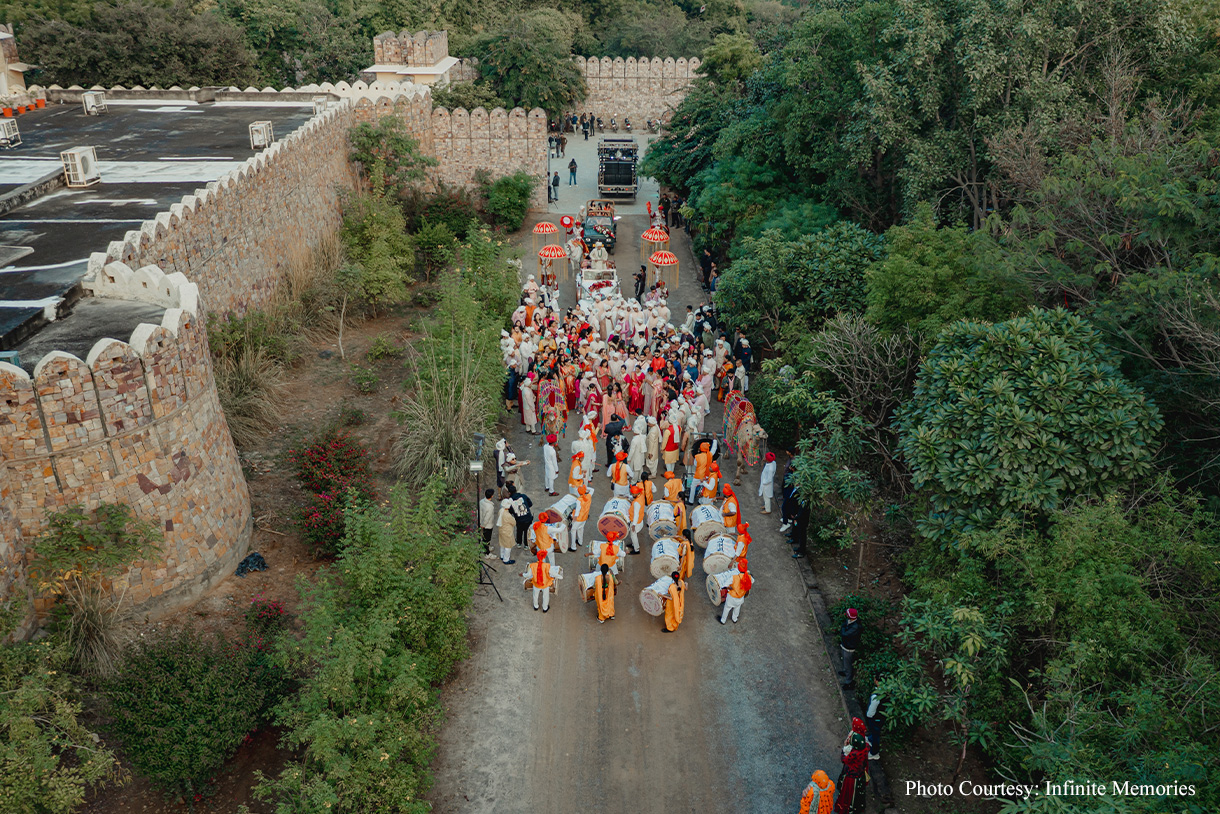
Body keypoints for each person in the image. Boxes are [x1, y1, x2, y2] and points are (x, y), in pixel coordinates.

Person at [834, 719, 869, 814]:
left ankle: (847, 808)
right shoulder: (864, 748)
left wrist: (844, 749)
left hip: (851, 776)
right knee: (858, 793)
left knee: (848, 793)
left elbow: (844, 759)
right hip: (860, 774)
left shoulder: (854, 754)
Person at [720, 558, 752, 624]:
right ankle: (734, 619)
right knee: (737, 609)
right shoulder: (748, 577)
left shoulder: (734, 577)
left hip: (731, 598)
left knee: (727, 608)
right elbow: (752, 581)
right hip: (740, 598)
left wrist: (729, 588)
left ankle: (723, 620)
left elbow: (724, 585)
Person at [839, 607, 861, 687]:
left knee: (848, 664)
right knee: (845, 661)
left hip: (849, 648)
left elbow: (845, 634)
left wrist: (843, 628)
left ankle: (849, 681)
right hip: (846, 645)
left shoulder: (855, 627)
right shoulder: (852, 623)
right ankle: (845, 671)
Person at [508, 484, 534, 550]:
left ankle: (519, 543)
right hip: (528, 517)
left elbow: (510, 511)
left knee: (519, 530)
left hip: (519, 519)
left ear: (509, 493)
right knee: (527, 531)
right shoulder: (523, 496)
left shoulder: (510, 501)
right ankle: (526, 544)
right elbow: (530, 504)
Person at [865, 681, 884, 760]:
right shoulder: (887, 692)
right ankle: (870, 738)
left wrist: (869, 716)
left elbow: (871, 712)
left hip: (875, 718)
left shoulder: (876, 696)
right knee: (875, 732)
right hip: (882, 717)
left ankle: (874, 753)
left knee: (876, 733)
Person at [495, 498, 517, 565]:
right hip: (507, 531)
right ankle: (506, 559)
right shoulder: (507, 515)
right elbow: (514, 522)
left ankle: (502, 555)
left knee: (502, 543)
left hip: (501, 530)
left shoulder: (501, 511)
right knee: (508, 546)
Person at [572, 483, 592, 552]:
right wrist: (585, 488)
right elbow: (592, 489)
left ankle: (573, 546)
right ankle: (580, 541)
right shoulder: (589, 496)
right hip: (585, 517)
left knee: (573, 530)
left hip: (579, 518)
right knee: (581, 528)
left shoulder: (579, 500)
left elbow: (577, 510)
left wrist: (574, 518)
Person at [629, 482, 646, 553]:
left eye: (633, 494)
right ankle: (634, 544)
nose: (632, 495)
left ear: (636, 494)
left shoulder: (636, 503)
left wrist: (633, 525)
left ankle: (636, 549)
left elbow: (636, 514)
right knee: (634, 534)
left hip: (636, 521)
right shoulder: (641, 495)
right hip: (640, 520)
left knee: (633, 534)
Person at [479, 488, 497, 555]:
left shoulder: (481, 501)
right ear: (491, 496)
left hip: (481, 522)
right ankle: (487, 553)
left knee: (484, 537)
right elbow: (487, 517)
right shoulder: (490, 506)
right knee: (487, 539)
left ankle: (486, 548)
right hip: (487, 525)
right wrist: (483, 525)